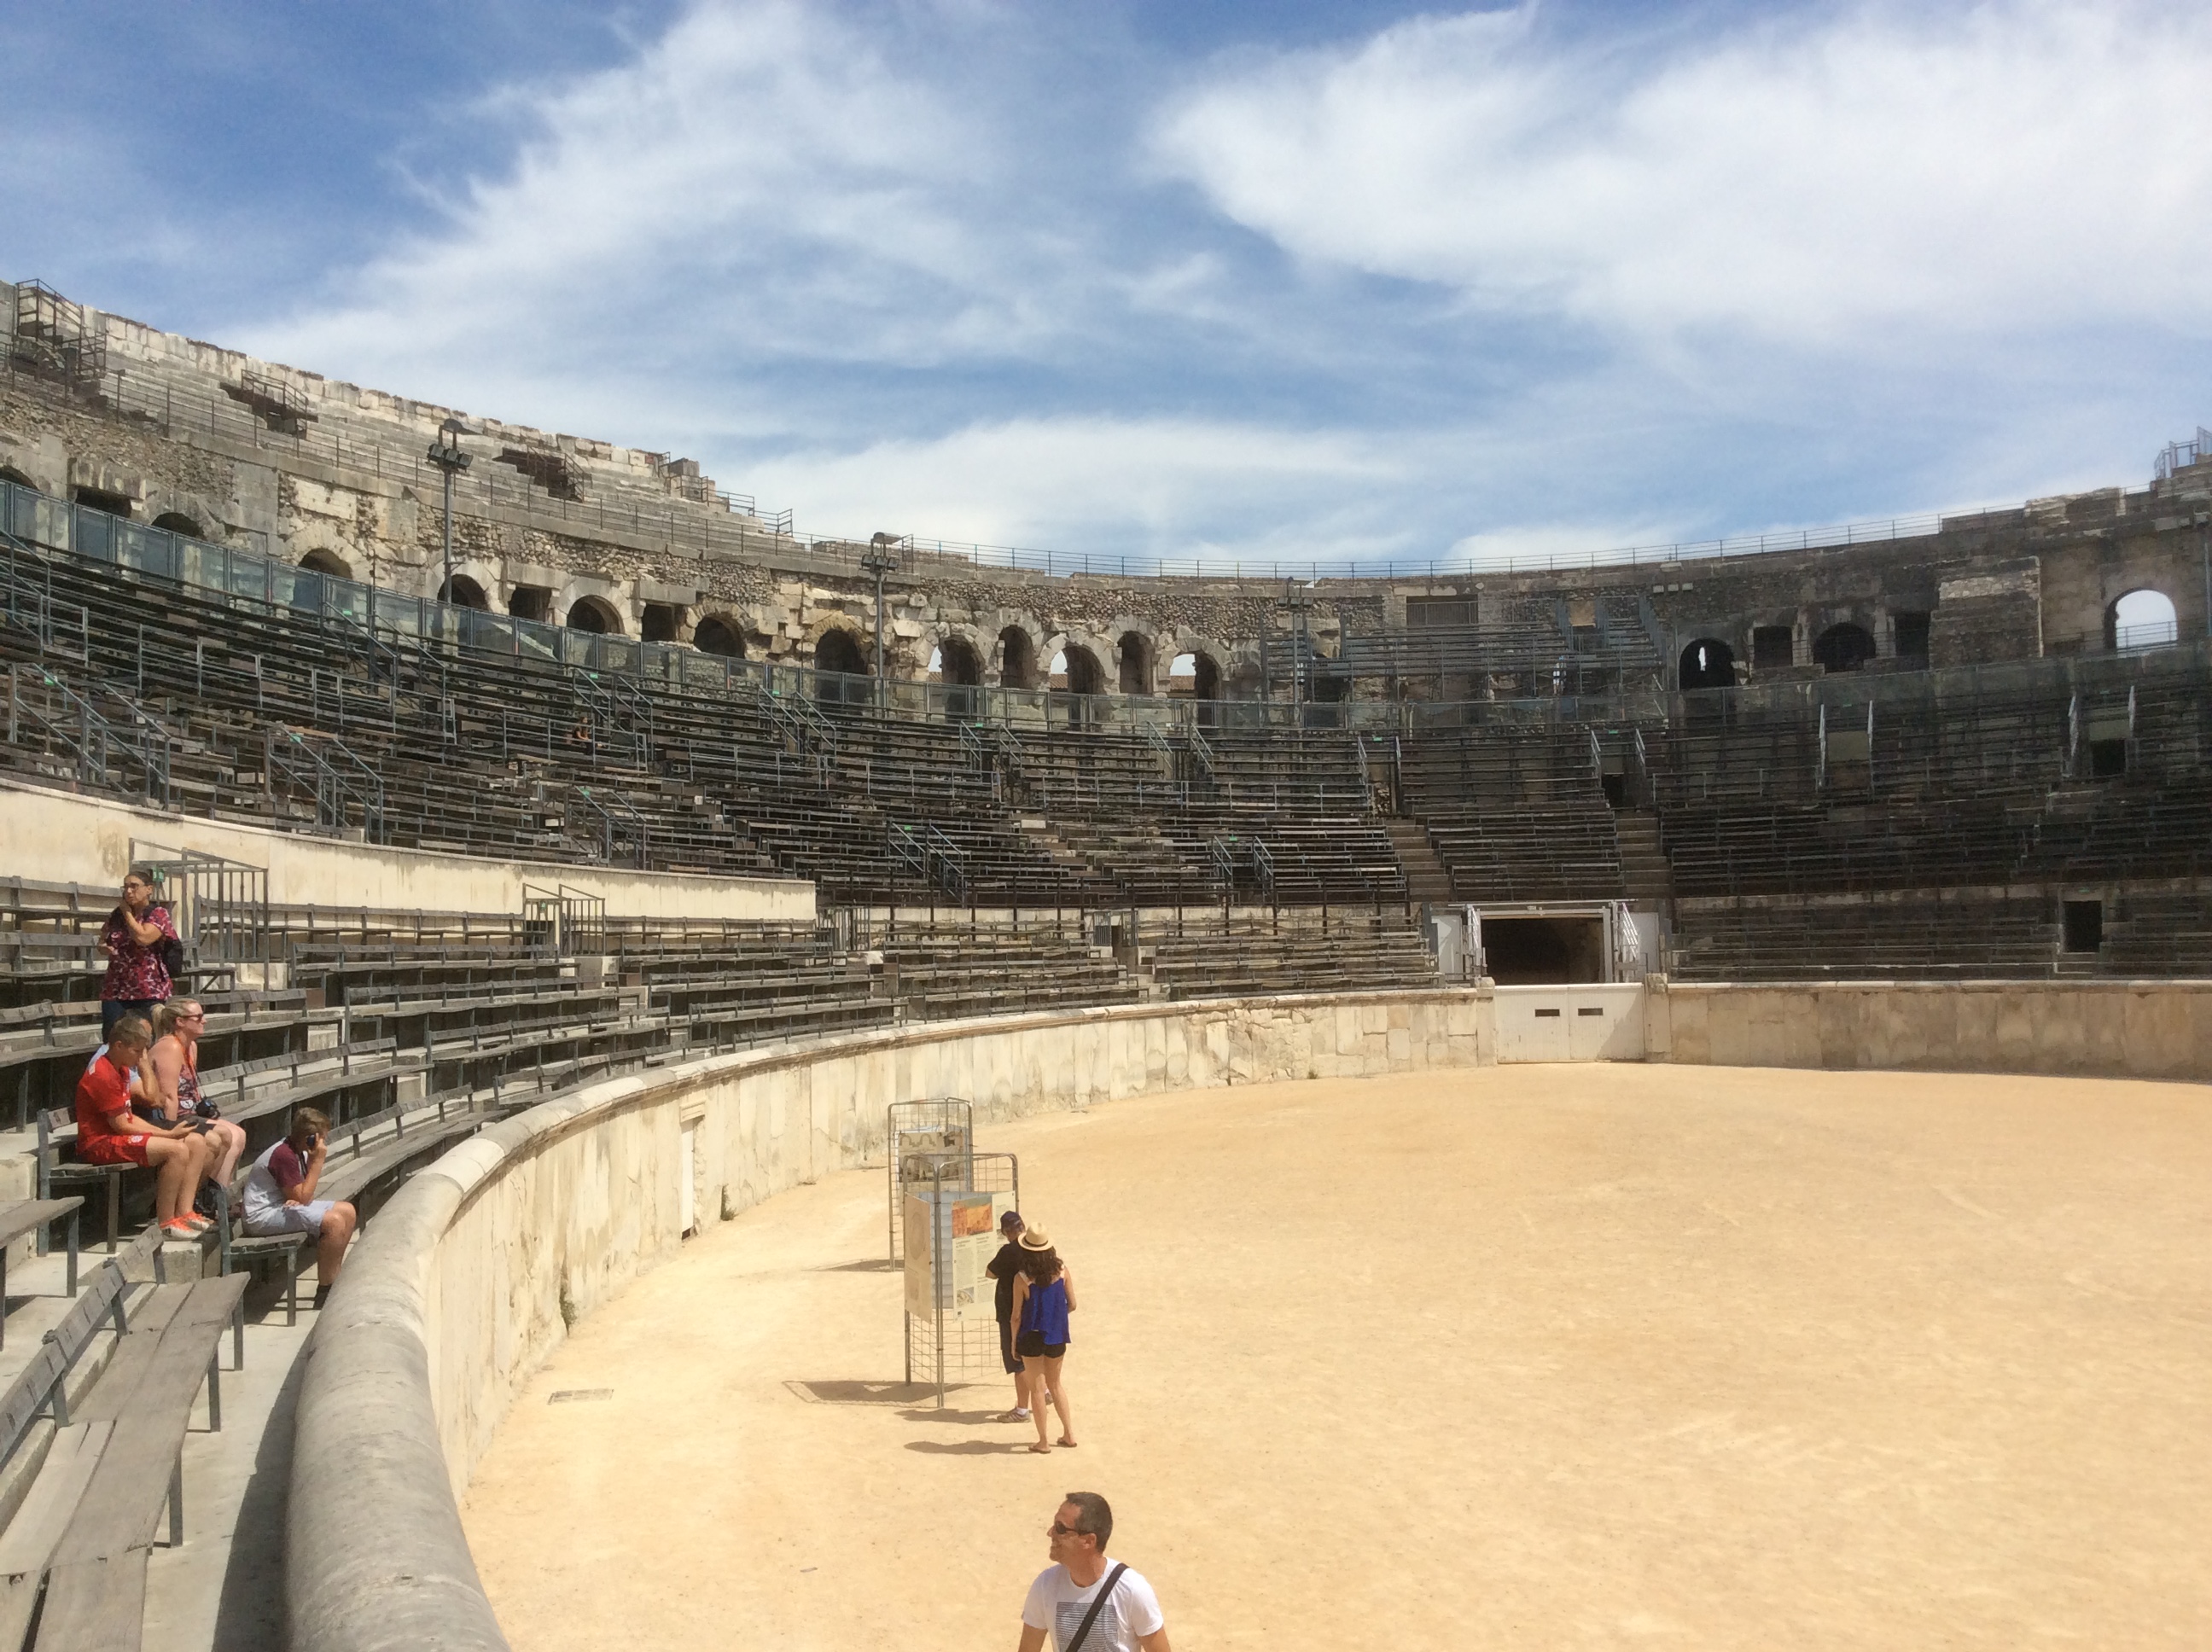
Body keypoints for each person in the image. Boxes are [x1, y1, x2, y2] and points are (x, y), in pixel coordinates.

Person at [73, 1014, 212, 1238]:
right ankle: (167, 1222)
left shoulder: (122, 1069)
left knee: (195, 1142)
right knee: (176, 1150)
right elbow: (121, 1125)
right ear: (119, 1045)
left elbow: (144, 1105)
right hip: (99, 1143)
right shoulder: (102, 1074)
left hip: (117, 1135)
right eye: (137, 1051)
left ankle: (185, 1212)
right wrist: (167, 1135)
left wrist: (166, 1132)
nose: (140, 1057)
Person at [1018, 1493, 1170, 1652]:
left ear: (1089, 1541)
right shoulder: (1045, 1586)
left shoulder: (1132, 1590)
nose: (1050, 1533)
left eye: (1060, 1528)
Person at [239, 1107, 358, 1305]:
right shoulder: (283, 1155)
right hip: (261, 1216)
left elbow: (300, 1195)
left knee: (348, 1210)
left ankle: (335, 1276)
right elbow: (304, 1196)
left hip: (280, 1206)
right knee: (334, 1222)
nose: (324, 1142)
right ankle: (325, 1291)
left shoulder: (297, 1150)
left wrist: (298, 1196)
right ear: (310, 1138)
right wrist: (317, 1162)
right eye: (321, 1138)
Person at [143, 1000, 247, 1205]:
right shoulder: (169, 1046)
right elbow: (170, 1098)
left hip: (190, 1113)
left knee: (239, 1134)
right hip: (172, 1118)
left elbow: (190, 1091)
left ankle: (215, 1198)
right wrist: (172, 1135)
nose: (205, 1021)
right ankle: (193, 1199)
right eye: (198, 1017)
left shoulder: (190, 1046)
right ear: (180, 1022)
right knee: (224, 1136)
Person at [1010, 1225, 1077, 1454]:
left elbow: (1016, 1316)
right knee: (1056, 1385)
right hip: (1057, 1335)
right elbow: (1073, 1304)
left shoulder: (1021, 1279)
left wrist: (1013, 1344)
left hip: (1031, 1337)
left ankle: (1043, 1441)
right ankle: (1069, 1433)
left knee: (1037, 1390)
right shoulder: (1062, 1271)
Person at [97, 865, 179, 1038]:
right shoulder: (115, 915)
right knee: (113, 1039)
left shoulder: (158, 914)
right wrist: (104, 947)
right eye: (125, 887)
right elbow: (102, 939)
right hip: (116, 989)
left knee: (145, 1040)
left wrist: (127, 913)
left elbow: (143, 938)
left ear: (149, 889)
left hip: (148, 990)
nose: (128, 891)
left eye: (134, 886)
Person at [987, 1210, 1033, 1421]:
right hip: (1034, 1309)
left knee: (1018, 1361)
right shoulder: (1036, 1247)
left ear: (1007, 1232)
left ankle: (1022, 1410)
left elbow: (990, 1273)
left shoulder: (1008, 1251)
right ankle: (1046, 1392)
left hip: (1010, 1311)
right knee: (1036, 1358)